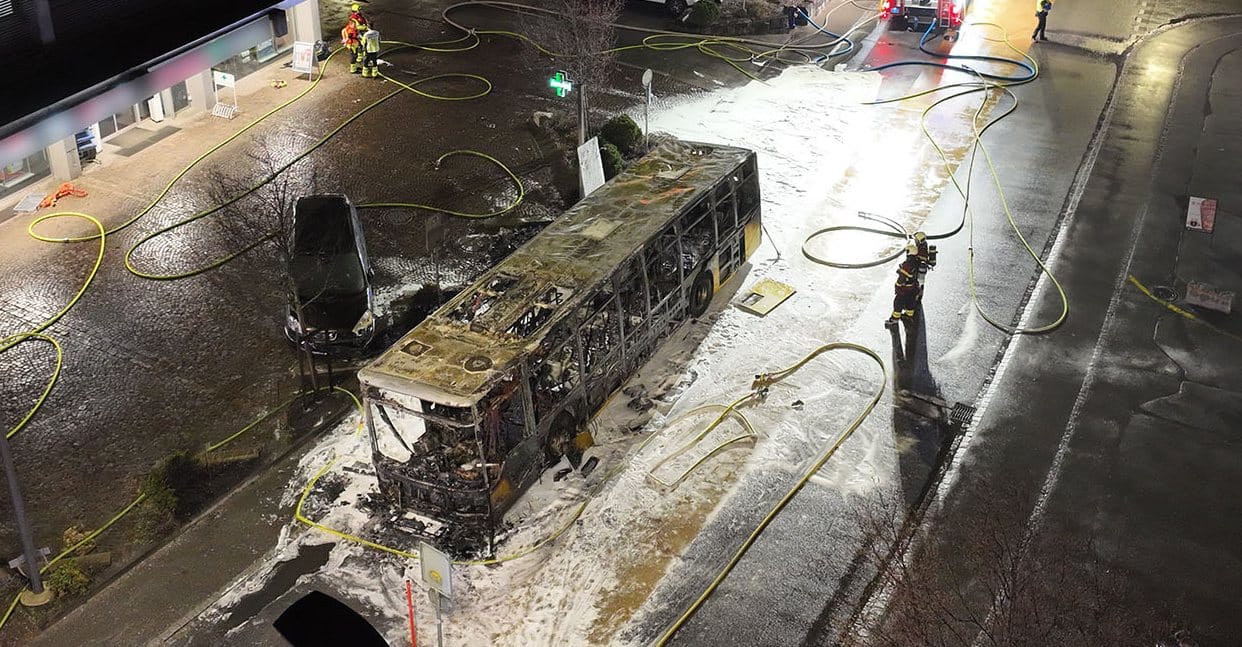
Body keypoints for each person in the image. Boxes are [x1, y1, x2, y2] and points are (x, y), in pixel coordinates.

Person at [886, 243, 921, 329]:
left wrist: (897, 285)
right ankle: (909, 316)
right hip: (913, 288)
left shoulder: (907, 264)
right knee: (910, 302)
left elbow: (902, 278)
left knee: (898, 303)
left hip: (904, 290)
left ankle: (894, 319)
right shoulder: (917, 262)